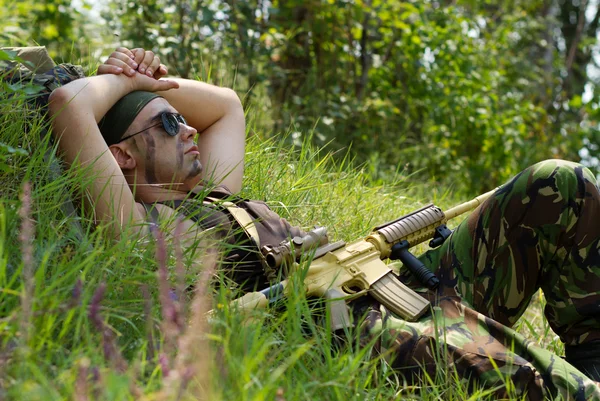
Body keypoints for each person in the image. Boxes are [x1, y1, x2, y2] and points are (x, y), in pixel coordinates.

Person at [49, 47, 600, 400]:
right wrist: (117, 82)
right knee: (547, 387)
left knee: (561, 183)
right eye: (170, 123)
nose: (189, 128)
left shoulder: (215, 194)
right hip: (345, 333)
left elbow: (225, 106)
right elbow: (68, 104)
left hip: (393, 283)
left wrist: (149, 79)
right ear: (119, 156)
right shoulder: (138, 228)